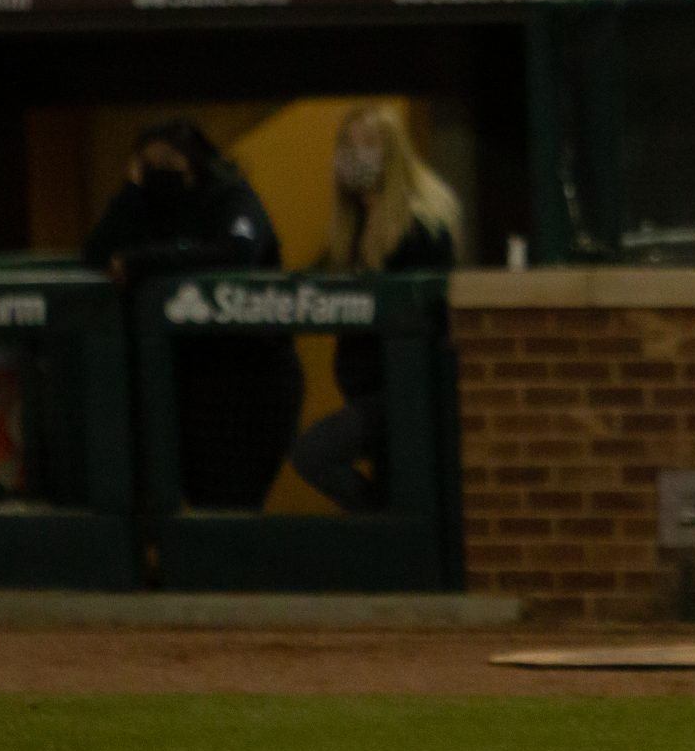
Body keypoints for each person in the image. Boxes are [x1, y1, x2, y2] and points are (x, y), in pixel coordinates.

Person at [84, 120, 304, 511]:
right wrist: (131, 189)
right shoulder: (145, 204)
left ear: (194, 161)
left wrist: (144, 261)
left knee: (236, 501)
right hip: (186, 383)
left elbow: (237, 252)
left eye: (169, 161)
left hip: (252, 377)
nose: (159, 172)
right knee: (194, 499)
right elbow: (97, 253)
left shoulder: (229, 196)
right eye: (148, 164)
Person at [290, 106, 459, 513]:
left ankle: (382, 529)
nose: (356, 154)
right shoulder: (350, 229)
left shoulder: (420, 225)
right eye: (347, 144)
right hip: (366, 390)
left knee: (313, 453)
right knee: (392, 488)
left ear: (394, 151)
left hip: (407, 389)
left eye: (369, 143)